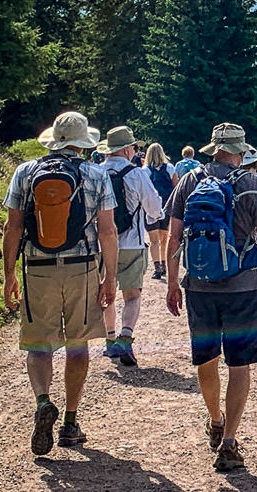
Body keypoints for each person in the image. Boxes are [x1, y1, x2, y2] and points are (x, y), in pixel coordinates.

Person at [166, 123, 257, 473]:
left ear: (213, 149)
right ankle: (230, 441)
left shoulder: (189, 182)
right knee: (239, 363)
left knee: (206, 358)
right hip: (244, 287)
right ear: (240, 151)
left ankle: (215, 419)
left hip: (199, 286)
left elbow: (173, 238)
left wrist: (173, 283)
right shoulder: (250, 185)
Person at [2, 111, 118, 455]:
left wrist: (9, 274)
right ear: (83, 143)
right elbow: (108, 230)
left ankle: (42, 401)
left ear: (53, 139)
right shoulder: (96, 174)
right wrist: (109, 278)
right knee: (78, 345)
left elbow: (13, 227)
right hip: (81, 267)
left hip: (37, 267)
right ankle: (69, 422)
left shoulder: (25, 172)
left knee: (38, 345)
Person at [102, 126, 164, 367]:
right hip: (133, 243)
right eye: (135, 148)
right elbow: (153, 207)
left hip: (101, 246)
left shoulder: (96, 173)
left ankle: (109, 340)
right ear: (127, 149)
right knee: (132, 295)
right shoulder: (137, 174)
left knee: (105, 294)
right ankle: (125, 336)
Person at [143, 142, 178, 280]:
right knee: (164, 239)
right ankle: (164, 264)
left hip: (150, 207)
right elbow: (176, 187)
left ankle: (157, 266)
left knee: (154, 240)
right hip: (167, 206)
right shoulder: (170, 168)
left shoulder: (145, 170)